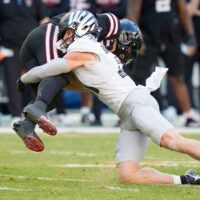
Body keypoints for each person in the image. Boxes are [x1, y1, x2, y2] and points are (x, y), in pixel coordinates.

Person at [15, 12, 200, 185]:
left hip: (136, 104)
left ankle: (32, 116)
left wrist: (25, 78)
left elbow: (55, 67)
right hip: (126, 113)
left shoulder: (85, 45)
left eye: (68, 32)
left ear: (81, 28)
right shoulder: (94, 48)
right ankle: (188, 180)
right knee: (128, 176)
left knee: (172, 141)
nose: (64, 37)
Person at [13, 10, 121, 144]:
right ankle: (36, 108)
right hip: (50, 33)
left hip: (42, 45)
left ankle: (26, 125)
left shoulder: (96, 48)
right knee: (57, 74)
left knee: (50, 98)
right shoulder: (111, 25)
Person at [126, 0, 200, 127]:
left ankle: (188, 114)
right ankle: (130, 113)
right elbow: (133, 11)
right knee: (140, 76)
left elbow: (183, 10)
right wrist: (136, 37)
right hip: (148, 34)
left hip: (171, 33)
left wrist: (190, 34)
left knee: (177, 76)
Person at [0, 0, 49, 123]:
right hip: (10, 47)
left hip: (31, 47)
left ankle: (31, 113)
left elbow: (44, 20)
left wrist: (42, 41)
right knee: (12, 82)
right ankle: (15, 114)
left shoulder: (36, 2)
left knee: (33, 80)